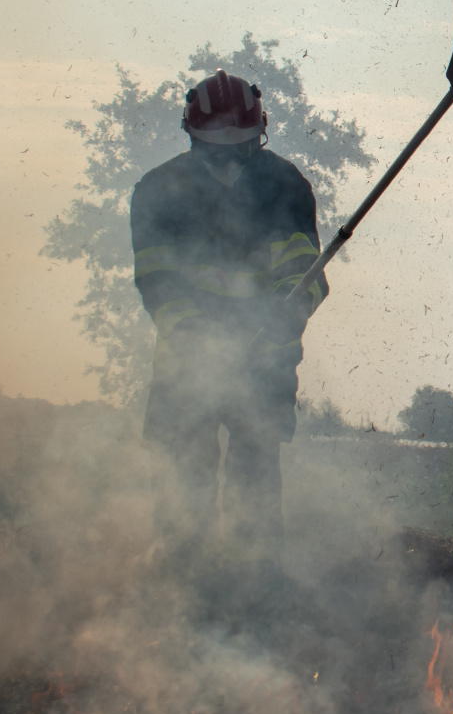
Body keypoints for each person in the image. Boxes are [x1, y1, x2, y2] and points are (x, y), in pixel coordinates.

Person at [130, 69, 326, 620]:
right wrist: (196, 339)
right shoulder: (156, 190)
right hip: (186, 364)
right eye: (215, 151)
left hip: (264, 361)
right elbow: (157, 279)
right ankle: (178, 592)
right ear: (190, 138)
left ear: (257, 136)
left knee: (255, 474)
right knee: (183, 476)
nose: (226, 162)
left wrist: (288, 310)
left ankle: (259, 591)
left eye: (238, 151)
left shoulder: (286, 185)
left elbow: (303, 268)